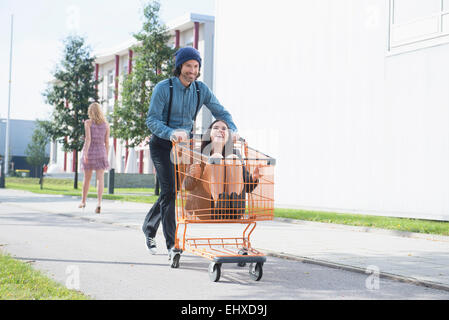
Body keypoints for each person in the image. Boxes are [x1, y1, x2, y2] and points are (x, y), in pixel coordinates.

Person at [142, 47, 238, 260]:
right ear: (179, 67)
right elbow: (151, 120)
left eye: (196, 66)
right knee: (169, 189)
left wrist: (232, 129)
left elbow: (220, 112)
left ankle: (149, 227)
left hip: (185, 148)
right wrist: (170, 133)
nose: (192, 70)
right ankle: (172, 244)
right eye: (188, 66)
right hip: (162, 145)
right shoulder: (163, 88)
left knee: (173, 191)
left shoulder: (200, 90)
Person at [184, 120, 261, 220]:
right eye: (216, 128)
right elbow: (187, 186)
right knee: (217, 158)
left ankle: (233, 204)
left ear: (228, 136)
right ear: (209, 134)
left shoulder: (235, 154)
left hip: (233, 211)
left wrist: (254, 178)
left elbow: (247, 187)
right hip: (207, 208)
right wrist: (193, 176)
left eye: (224, 129)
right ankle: (219, 203)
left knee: (232, 158)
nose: (220, 130)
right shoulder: (198, 153)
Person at [79, 102, 110, 214]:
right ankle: (99, 203)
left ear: (90, 111)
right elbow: (107, 142)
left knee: (87, 178)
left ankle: (83, 201)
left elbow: (88, 139)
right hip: (101, 152)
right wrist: (106, 155)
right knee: (100, 179)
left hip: (91, 151)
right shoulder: (106, 124)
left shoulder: (88, 123)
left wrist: (85, 153)